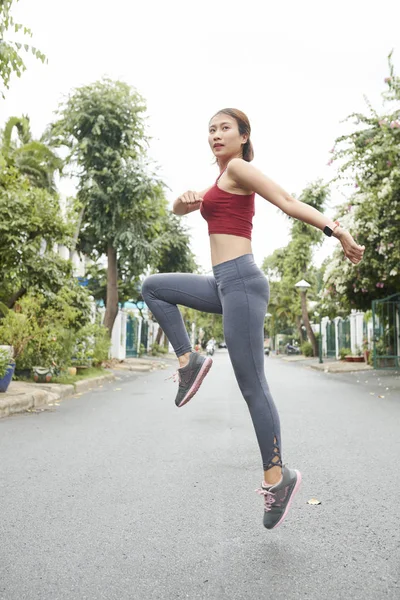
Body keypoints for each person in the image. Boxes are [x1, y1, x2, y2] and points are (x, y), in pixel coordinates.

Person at [141, 108, 365, 529]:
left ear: (244, 136)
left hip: (241, 281)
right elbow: (179, 211)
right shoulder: (219, 180)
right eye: (210, 129)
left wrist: (338, 231)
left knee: (252, 386)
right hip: (224, 282)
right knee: (153, 287)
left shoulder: (241, 168)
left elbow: (288, 201)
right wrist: (181, 202)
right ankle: (189, 360)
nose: (216, 134)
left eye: (225, 128)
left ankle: (278, 477)